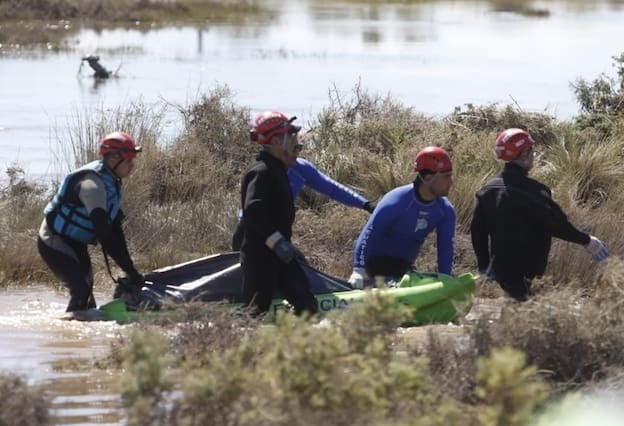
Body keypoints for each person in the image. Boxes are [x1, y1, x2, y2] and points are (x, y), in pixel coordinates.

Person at [470, 128, 608, 300]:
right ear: (524, 154)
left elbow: (478, 232)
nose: (534, 155)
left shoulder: (486, 191)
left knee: (513, 308)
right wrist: (587, 241)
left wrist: (484, 266)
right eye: (531, 151)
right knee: (525, 312)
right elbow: (558, 224)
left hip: (500, 271)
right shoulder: (535, 191)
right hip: (529, 272)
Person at [38, 131, 145, 312]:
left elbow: (116, 232)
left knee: (87, 299)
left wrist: (131, 271)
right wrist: (130, 271)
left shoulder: (111, 181)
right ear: (113, 159)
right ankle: (68, 331)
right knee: (81, 291)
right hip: (54, 240)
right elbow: (104, 234)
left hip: (75, 243)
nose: (132, 166)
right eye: (128, 161)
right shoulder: (92, 186)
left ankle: (80, 329)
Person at [239, 110, 318, 316]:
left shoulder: (279, 169)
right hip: (260, 257)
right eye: (290, 135)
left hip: (281, 256)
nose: (296, 140)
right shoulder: (261, 171)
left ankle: (292, 345)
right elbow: (253, 210)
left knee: (307, 306)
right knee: (255, 312)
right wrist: (276, 241)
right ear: (275, 140)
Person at [349, 146, 456, 288]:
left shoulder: (445, 210)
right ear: (429, 178)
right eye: (446, 176)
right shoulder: (397, 200)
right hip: (374, 266)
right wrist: (359, 270)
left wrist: (445, 279)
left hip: (403, 269)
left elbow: (446, 247)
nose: (451, 181)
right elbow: (369, 234)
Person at [231, 155, 375, 250]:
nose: (296, 152)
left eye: (298, 148)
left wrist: (366, 204)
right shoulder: (263, 170)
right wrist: (273, 240)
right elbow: (253, 211)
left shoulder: (300, 168)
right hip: (252, 232)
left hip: (279, 233)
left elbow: (332, 188)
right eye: (292, 147)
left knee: (293, 276)